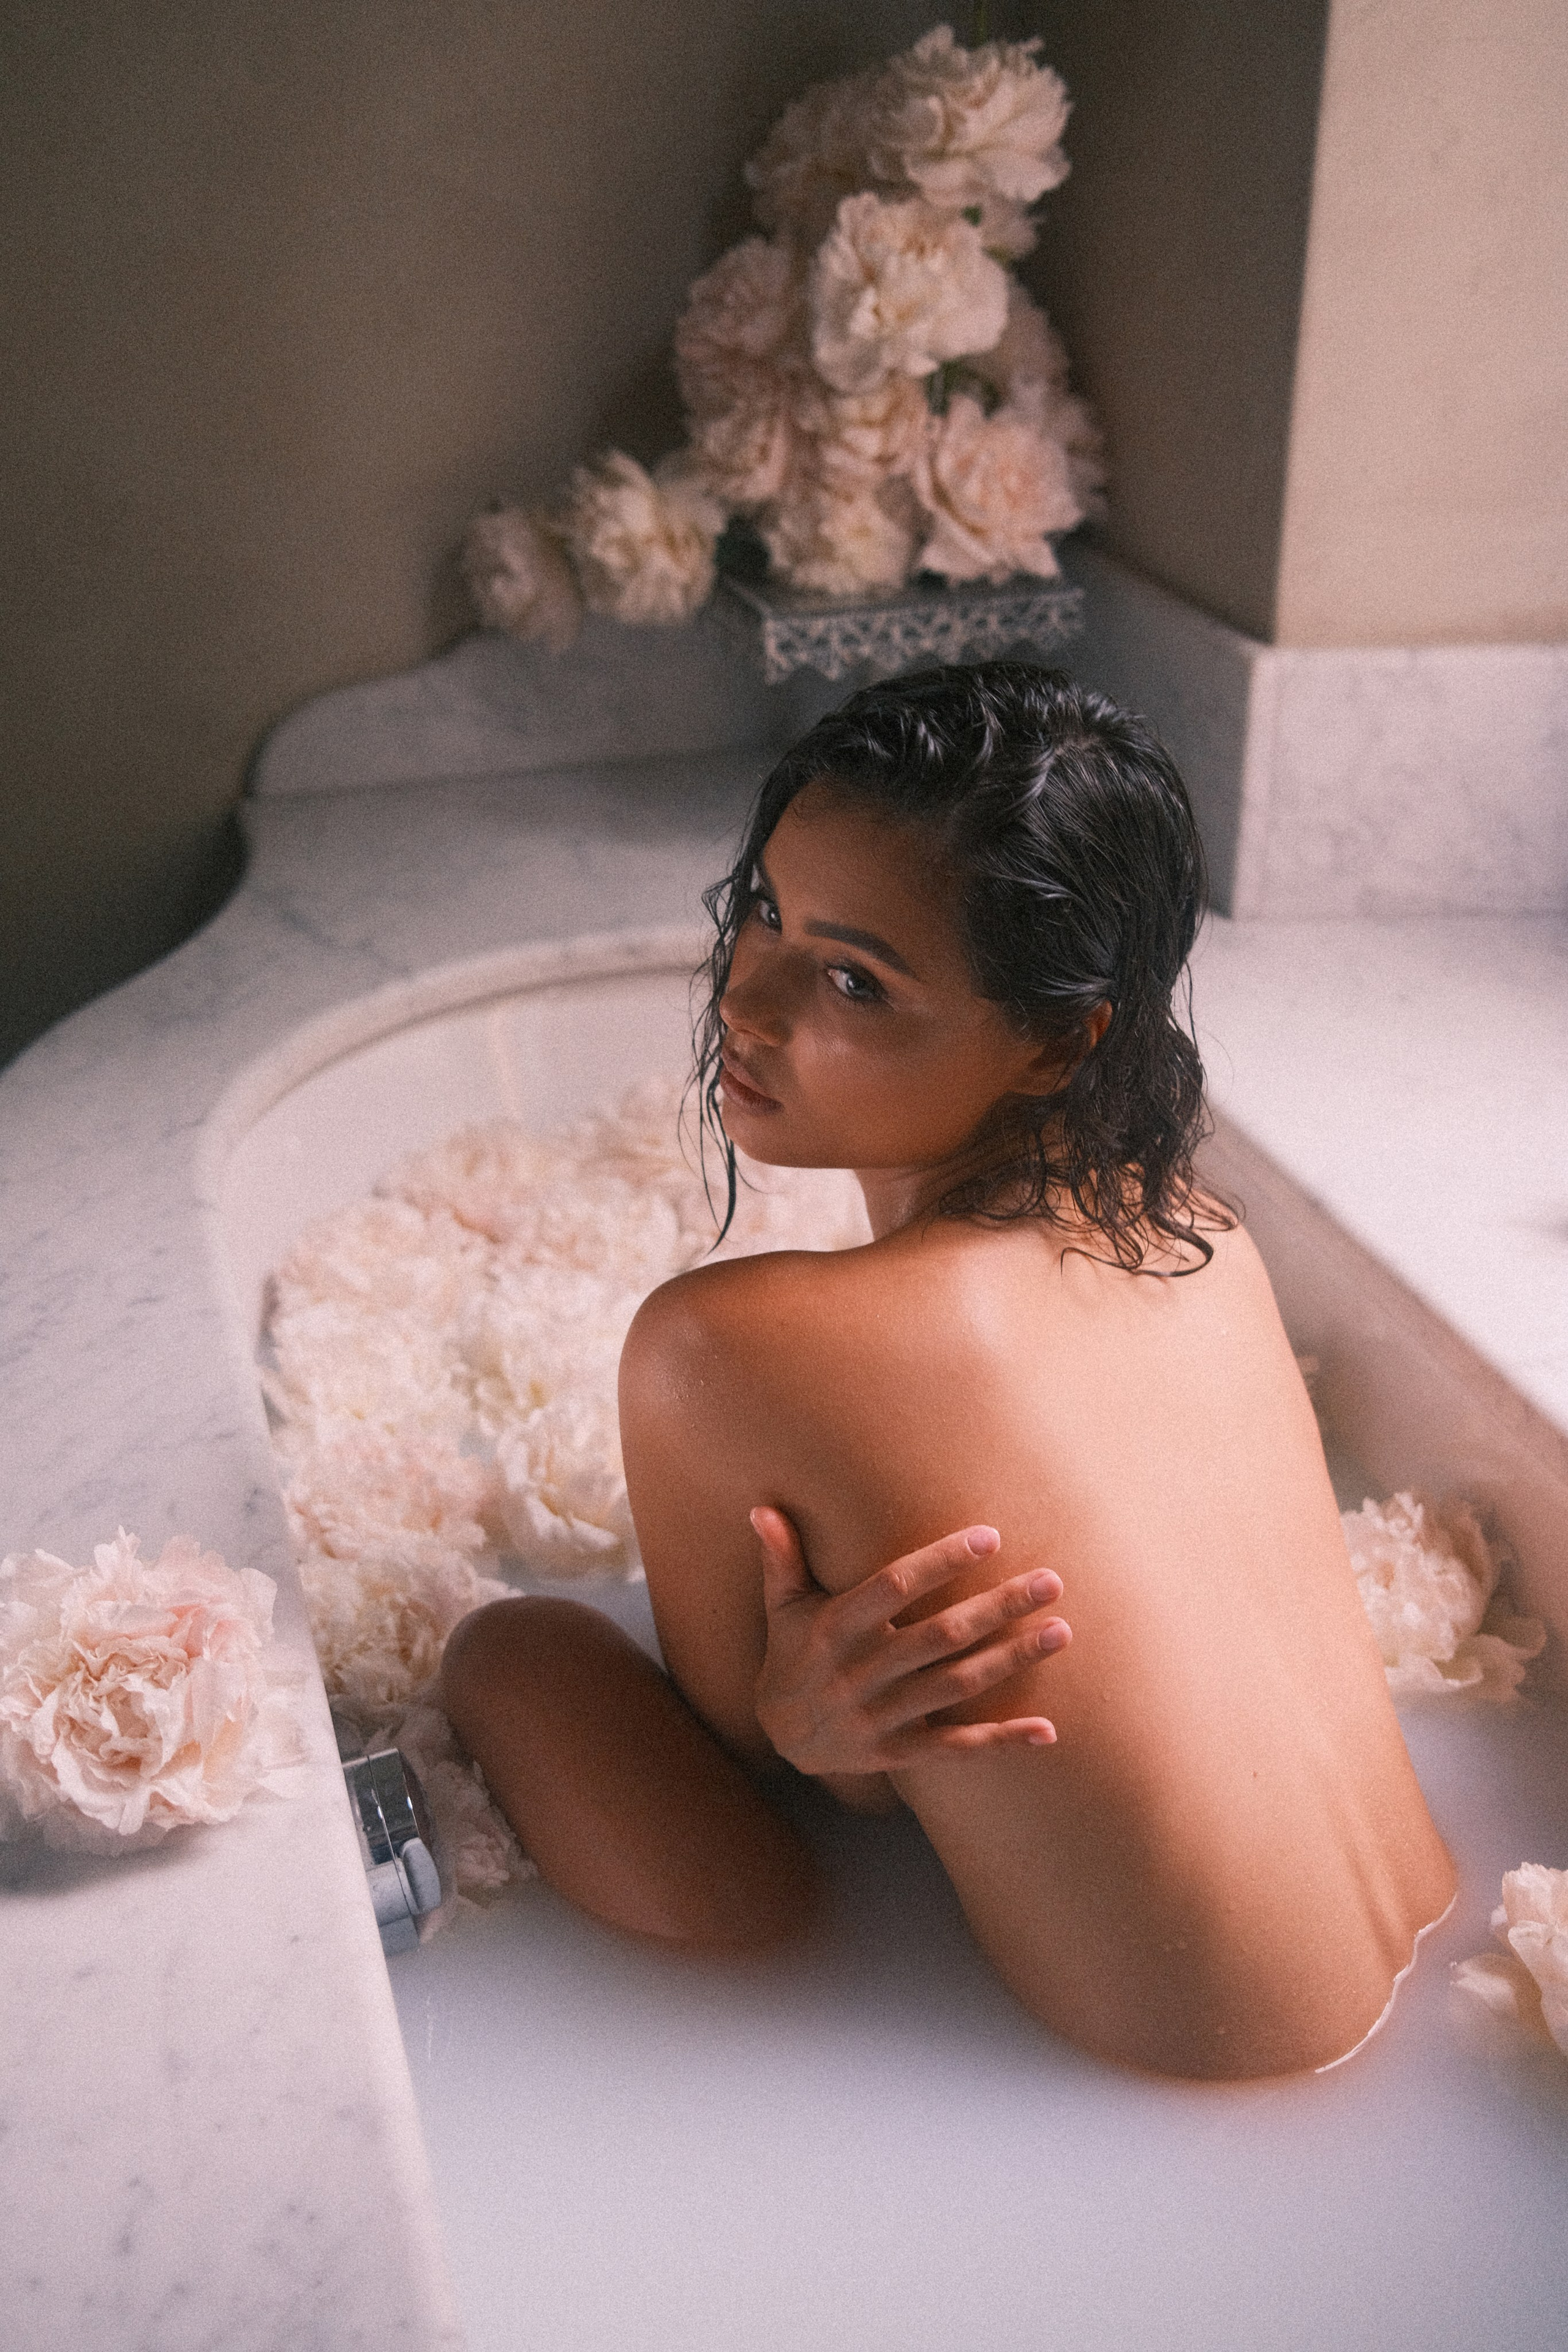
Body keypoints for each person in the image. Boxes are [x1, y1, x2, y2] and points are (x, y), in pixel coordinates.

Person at [442, 663, 1453, 2081]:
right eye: (762, 911)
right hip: (1417, 1981)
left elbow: (741, 1775)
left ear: (1055, 1041)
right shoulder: (1201, 1240)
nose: (746, 1001)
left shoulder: (722, 1346)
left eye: (854, 979)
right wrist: (844, 1743)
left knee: (515, 1650)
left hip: (1162, 2075)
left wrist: (801, 1729)